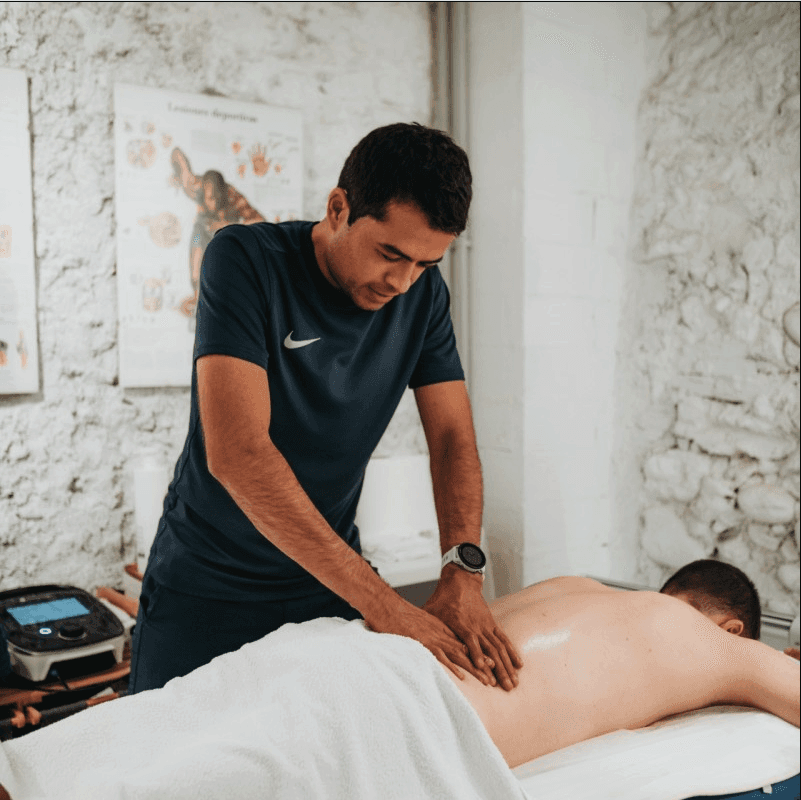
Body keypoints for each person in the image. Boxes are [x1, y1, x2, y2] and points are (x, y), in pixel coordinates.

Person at [129, 123, 522, 695]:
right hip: (207, 585)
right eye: (390, 253)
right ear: (339, 208)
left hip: (327, 585)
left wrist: (463, 570)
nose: (403, 282)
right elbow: (239, 455)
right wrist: (385, 605)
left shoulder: (422, 298)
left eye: (425, 264)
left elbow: (452, 438)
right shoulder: (245, 261)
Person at [1, 561, 797, 800]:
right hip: (404, 708)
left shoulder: (583, 585)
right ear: (729, 623)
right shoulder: (708, 643)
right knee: (194, 779)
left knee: (157, 723)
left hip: (344, 649)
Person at [449, 559, 800, 767]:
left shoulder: (573, 584)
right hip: (440, 717)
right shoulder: (709, 640)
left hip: (404, 661)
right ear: (732, 630)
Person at [169, 147, 266, 318]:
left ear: (223, 193)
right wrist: (182, 171)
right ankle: (200, 310)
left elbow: (261, 222)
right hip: (202, 231)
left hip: (226, 237)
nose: (212, 204)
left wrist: (227, 224)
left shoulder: (232, 195)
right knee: (195, 271)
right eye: (209, 199)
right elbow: (177, 153)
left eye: (216, 198)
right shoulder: (196, 186)